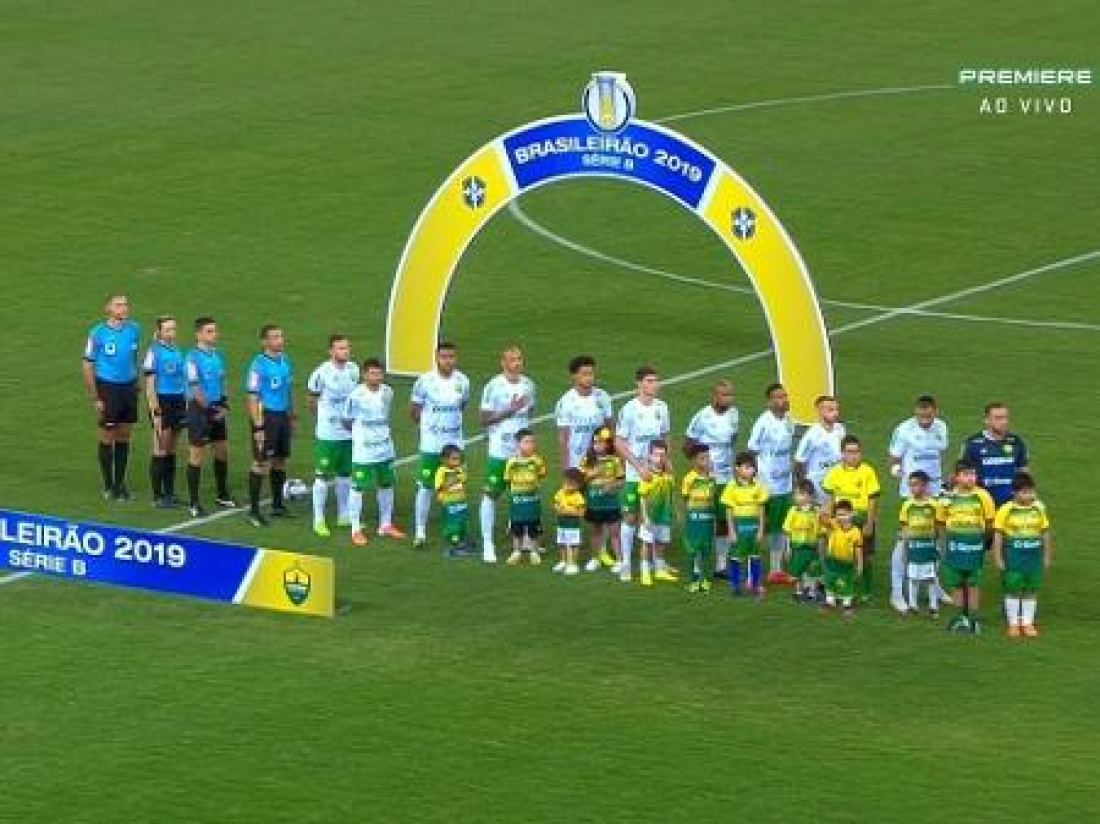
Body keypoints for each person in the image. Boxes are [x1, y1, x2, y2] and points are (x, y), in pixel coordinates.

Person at [887, 395, 949, 611]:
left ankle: (935, 586)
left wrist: (942, 484)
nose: (925, 417)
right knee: (905, 541)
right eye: (921, 414)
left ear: (935, 411)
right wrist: (897, 471)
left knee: (935, 540)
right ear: (915, 412)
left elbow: (940, 455)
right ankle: (897, 593)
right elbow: (893, 457)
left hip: (935, 495)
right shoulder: (904, 429)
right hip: (912, 495)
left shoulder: (941, 427)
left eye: (929, 413)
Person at [478, 346, 536, 563]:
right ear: (503, 363)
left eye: (519, 359)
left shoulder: (529, 385)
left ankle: (524, 538)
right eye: (512, 360)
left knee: (524, 494)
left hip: (521, 454)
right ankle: (487, 543)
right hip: (499, 452)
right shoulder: (493, 386)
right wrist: (508, 411)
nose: (517, 363)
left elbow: (530, 414)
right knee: (492, 494)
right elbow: (483, 419)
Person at [410, 342, 471, 548]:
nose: (448, 360)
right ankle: (420, 532)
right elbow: (414, 410)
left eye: (452, 356)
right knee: (425, 487)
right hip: (431, 445)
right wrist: (429, 429)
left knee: (454, 487)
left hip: (454, 445)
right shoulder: (424, 381)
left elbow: (462, 405)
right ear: (436, 357)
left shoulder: (463, 381)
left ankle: (454, 530)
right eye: (444, 357)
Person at [615, 365, 672, 582]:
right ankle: (626, 564)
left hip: (657, 475)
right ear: (638, 384)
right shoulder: (629, 409)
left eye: (656, 380)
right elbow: (619, 442)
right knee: (631, 517)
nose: (654, 384)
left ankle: (656, 563)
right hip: (634, 474)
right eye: (649, 380)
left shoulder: (662, 408)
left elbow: (665, 436)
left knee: (655, 517)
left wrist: (667, 462)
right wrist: (638, 466)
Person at [82, 293, 141, 500]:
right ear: (108, 308)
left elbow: (134, 354)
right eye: (118, 305)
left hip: (129, 388)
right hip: (108, 388)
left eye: (125, 304)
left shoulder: (134, 329)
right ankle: (108, 485)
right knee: (107, 435)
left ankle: (119, 483)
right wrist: (95, 396)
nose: (123, 308)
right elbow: (87, 365)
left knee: (124, 435)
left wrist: (137, 378)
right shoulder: (97, 333)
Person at [343, 358, 405, 545]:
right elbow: (346, 421)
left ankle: (385, 524)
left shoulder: (388, 392)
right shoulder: (356, 396)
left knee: (387, 484)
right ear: (364, 375)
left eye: (379, 373)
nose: (376, 377)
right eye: (372, 373)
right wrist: (360, 436)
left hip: (385, 447)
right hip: (364, 450)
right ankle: (355, 529)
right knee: (358, 487)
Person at [683, 379, 739, 576]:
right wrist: (700, 468)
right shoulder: (702, 417)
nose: (728, 399)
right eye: (724, 395)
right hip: (706, 480)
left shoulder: (734, 415)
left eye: (730, 395)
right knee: (703, 520)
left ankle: (721, 565)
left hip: (725, 478)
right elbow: (687, 445)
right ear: (714, 396)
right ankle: (698, 565)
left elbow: (732, 442)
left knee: (723, 520)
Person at [307, 335, 360, 537]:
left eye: (347, 348)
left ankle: (343, 514)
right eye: (340, 348)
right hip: (328, 434)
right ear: (331, 351)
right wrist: (323, 419)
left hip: (348, 433)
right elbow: (311, 398)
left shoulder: (354, 370)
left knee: (345, 474)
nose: (345, 351)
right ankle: (318, 519)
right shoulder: (322, 373)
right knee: (322, 475)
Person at [184, 316, 236, 516]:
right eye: (209, 331)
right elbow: (195, 388)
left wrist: (224, 405)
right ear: (198, 334)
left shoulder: (216, 355)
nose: (214, 334)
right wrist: (211, 409)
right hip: (199, 411)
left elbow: (222, 381)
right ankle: (194, 503)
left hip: (216, 409)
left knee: (222, 451)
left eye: (215, 330)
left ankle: (222, 494)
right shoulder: (192, 358)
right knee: (197, 454)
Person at [245, 324, 296, 527]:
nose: (280, 340)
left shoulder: (285, 360)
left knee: (280, 459)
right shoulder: (258, 365)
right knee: (261, 462)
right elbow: (252, 397)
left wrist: (291, 415)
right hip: (266, 417)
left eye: (281, 336)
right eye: (275, 337)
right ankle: (254, 511)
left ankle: (277, 505)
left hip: (282, 415)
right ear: (264, 342)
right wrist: (258, 426)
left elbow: (288, 389)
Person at [747, 383, 796, 584]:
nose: (783, 400)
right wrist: (754, 481)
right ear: (769, 402)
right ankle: (753, 573)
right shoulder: (763, 422)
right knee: (761, 528)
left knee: (779, 528)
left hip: (785, 485)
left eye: (784, 396)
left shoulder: (789, 420)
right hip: (767, 486)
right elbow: (751, 451)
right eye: (778, 397)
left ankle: (775, 570)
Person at [993, 472, 1052, 638]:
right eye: (1025, 492)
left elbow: (1045, 533)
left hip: (1033, 557)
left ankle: (1027, 623)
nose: (1030, 495)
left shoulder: (1039, 509)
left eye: (1032, 491)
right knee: (1013, 589)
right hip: (1014, 557)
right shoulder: (1006, 510)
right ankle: (1013, 624)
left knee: (1031, 589)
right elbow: (998, 535)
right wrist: (998, 558)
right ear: (1015, 492)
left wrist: (1046, 556)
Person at [822, 435, 881, 601]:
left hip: (860, 518)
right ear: (842, 453)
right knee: (840, 556)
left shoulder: (867, 471)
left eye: (856, 452)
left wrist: (869, 523)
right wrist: (829, 521)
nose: (853, 455)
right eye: (849, 452)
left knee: (865, 556)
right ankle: (841, 588)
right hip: (839, 521)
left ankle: (865, 590)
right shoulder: (834, 472)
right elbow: (830, 499)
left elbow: (873, 499)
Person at [938, 459, 996, 628]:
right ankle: (959, 615)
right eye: (966, 474)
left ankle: (973, 614)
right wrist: (945, 542)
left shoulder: (983, 496)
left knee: (973, 581)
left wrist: (984, 542)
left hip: (975, 545)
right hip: (955, 545)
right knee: (956, 581)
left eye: (973, 474)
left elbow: (990, 521)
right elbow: (941, 521)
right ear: (956, 477)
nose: (971, 478)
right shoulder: (948, 497)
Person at [142, 315, 187, 507]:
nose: (172, 333)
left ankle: (169, 493)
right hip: (163, 402)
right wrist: (155, 411)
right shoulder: (154, 352)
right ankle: (157, 496)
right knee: (160, 447)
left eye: (174, 329)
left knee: (172, 447)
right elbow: (149, 385)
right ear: (159, 331)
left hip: (178, 401)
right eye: (168, 329)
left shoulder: (177, 350)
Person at [961, 402, 1030, 507]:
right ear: (987, 421)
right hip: (982, 502)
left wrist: (1026, 494)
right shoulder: (973, 443)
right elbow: (961, 473)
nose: (1003, 422)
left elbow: (1024, 471)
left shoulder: (1016, 441)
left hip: (1011, 503)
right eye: (998, 418)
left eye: (1005, 418)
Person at [719, 452, 769, 597]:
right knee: (736, 556)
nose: (751, 470)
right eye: (747, 467)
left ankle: (755, 585)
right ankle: (735, 586)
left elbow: (761, 509)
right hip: (739, 526)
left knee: (755, 556)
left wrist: (760, 529)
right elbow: (728, 510)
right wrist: (731, 531)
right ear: (737, 468)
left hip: (754, 526)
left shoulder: (759, 486)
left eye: (753, 467)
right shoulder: (732, 486)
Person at [555, 355, 614, 470]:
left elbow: (610, 428)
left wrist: (612, 456)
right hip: (576, 463)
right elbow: (563, 439)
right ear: (574, 376)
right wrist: (566, 469)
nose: (589, 378)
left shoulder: (603, 397)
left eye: (591, 373)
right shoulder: (565, 402)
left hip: (601, 462)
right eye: (584, 374)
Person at [898, 470, 942, 618]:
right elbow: (904, 529)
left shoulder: (934, 505)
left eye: (916, 485)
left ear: (925, 486)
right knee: (913, 577)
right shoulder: (907, 505)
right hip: (914, 546)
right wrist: (904, 549)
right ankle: (913, 605)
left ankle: (933, 606)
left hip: (929, 546)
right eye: (910, 485)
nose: (913, 488)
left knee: (931, 577)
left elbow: (939, 527)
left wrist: (938, 545)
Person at [580, 427, 623, 572]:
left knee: (614, 533)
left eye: (602, 442)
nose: (598, 445)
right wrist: (592, 474)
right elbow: (580, 481)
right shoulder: (588, 460)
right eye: (596, 442)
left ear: (608, 444)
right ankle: (595, 559)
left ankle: (620, 560)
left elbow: (622, 480)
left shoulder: (615, 460)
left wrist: (612, 485)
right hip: (594, 503)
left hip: (611, 503)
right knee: (596, 532)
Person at [504, 429, 546, 566]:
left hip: (532, 500)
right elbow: (508, 479)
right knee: (517, 528)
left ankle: (534, 552)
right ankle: (516, 551)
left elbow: (541, 474)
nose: (531, 445)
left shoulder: (537, 460)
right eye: (527, 442)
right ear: (518, 444)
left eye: (533, 442)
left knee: (534, 527)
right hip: (517, 501)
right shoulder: (511, 462)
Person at [637, 440, 676, 587]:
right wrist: (645, 516)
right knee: (646, 543)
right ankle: (645, 572)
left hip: (664, 515)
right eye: (656, 455)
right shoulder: (647, 475)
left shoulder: (667, 474)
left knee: (661, 542)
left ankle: (659, 570)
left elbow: (671, 491)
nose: (659, 458)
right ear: (650, 456)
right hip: (650, 516)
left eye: (663, 455)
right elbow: (643, 497)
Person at [793, 394, 845, 502]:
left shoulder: (840, 429)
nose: (836, 413)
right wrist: (804, 485)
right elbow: (799, 462)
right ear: (820, 411)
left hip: (837, 482)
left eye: (836, 409)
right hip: (818, 486)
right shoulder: (812, 435)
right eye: (831, 410)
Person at [681, 444, 717, 594]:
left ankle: (706, 580)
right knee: (692, 550)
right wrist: (686, 518)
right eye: (703, 458)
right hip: (694, 520)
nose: (707, 461)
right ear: (694, 461)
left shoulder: (711, 478)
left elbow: (713, 498)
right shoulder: (689, 479)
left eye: (708, 457)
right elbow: (684, 499)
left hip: (707, 519)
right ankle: (692, 581)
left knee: (707, 550)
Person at [821, 499, 863, 616]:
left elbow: (858, 550)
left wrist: (860, 565)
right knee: (830, 580)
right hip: (832, 561)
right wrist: (822, 513)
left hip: (847, 563)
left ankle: (847, 604)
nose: (841, 517)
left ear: (851, 514)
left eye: (844, 514)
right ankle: (830, 602)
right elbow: (824, 522)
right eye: (839, 514)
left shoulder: (856, 532)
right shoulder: (834, 524)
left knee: (847, 582)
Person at [784, 479, 823, 602]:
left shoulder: (817, 511)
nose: (796, 497)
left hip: (811, 548)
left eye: (799, 494)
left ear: (809, 495)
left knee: (813, 570)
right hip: (797, 548)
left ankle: (812, 592)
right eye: (795, 494)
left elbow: (820, 531)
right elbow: (787, 530)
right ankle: (798, 591)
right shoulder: (793, 511)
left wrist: (820, 547)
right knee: (797, 571)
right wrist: (788, 548)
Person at [434, 444, 471, 558]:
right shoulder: (441, 471)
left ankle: (462, 543)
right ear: (444, 459)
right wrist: (454, 479)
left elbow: (464, 480)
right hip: (449, 503)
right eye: (454, 459)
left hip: (461, 501)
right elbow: (439, 487)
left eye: (458, 459)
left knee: (463, 523)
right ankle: (452, 548)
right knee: (453, 526)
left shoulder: (458, 469)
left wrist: (462, 473)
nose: (457, 461)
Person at [553, 469, 588, 576]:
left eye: (571, 484)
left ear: (578, 485)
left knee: (573, 544)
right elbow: (555, 504)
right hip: (561, 524)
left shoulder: (578, 497)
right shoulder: (560, 492)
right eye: (566, 483)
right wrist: (558, 509)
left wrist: (570, 512)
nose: (567, 486)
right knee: (562, 543)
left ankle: (573, 563)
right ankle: (563, 561)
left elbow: (582, 513)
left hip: (572, 526)